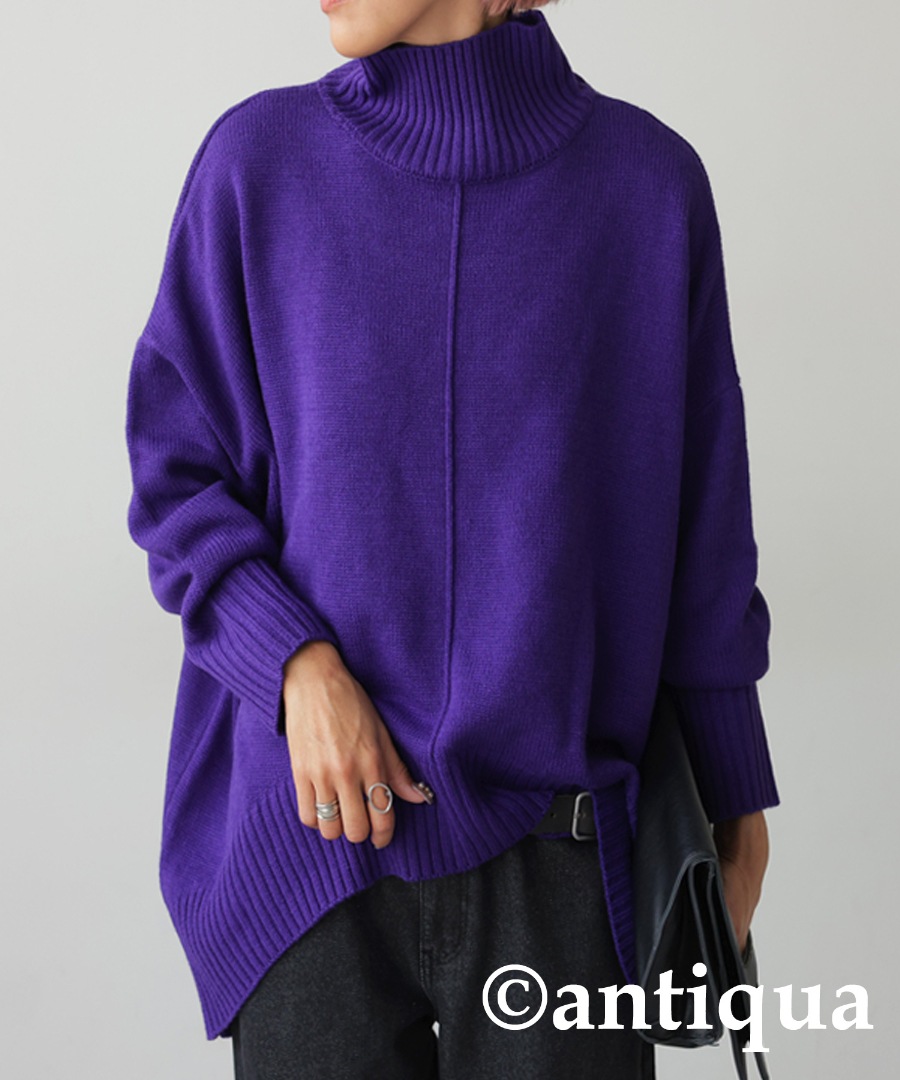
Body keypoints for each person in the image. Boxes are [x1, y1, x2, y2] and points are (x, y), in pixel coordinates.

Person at [124, 0, 779, 1076]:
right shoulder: (257, 165)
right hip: (307, 852)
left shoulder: (649, 187)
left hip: (560, 853)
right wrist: (295, 665)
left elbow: (702, 541)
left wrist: (738, 800)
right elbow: (176, 474)